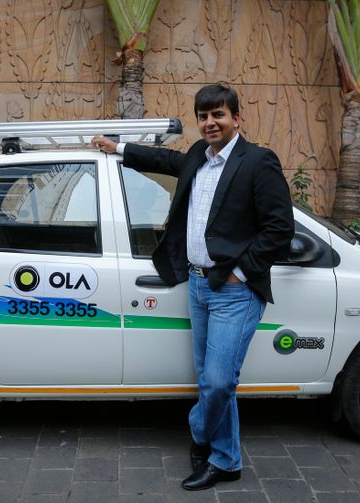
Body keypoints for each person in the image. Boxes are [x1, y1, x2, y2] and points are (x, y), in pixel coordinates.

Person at [92, 83, 295, 491]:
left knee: (218, 382)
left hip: (233, 291)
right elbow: (163, 159)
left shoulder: (258, 162)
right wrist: (118, 149)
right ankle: (225, 458)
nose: (210, 123)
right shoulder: (197, 159)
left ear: (237, 118)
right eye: (203, 116)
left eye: (218, 114)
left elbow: (280, 229)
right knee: (212, 379)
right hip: (198, 287)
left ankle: (200, 432)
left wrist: (241, 271)